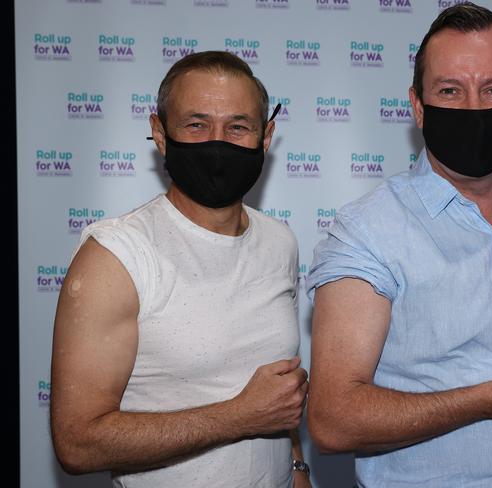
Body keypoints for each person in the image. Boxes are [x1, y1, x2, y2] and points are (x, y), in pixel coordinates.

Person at [306, 3, 492, 487]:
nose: (474, 109)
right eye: (450, 91)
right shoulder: (368, 230)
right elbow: (333, 419)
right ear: (417, 105)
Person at [50, 51, 311, 488]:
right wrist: (239, 416)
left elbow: (276, 394)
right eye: (196, 124)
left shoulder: (279, 242)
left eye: (237, 126)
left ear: (265, 138)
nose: (217, 142)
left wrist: (298, 467)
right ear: (159, 133)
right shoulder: (116, 256)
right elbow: (77, 444)